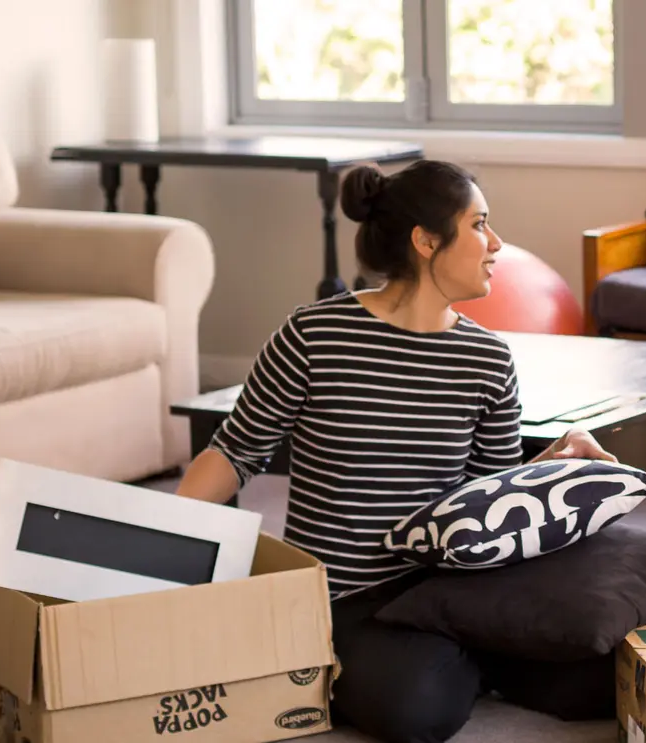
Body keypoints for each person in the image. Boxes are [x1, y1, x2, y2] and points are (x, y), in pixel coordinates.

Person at [171, 159, 615, 742]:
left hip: (446, 589)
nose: (496, 244)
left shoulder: (488, 360)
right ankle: (477, 662)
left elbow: (488, 498)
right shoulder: (313, 335)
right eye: (480, 224)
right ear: (426, 240)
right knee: (418, 708)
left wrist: (555, 463)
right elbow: (234, 453)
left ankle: (474, 655)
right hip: (345, 597)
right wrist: (161, 545)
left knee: (606, 672)